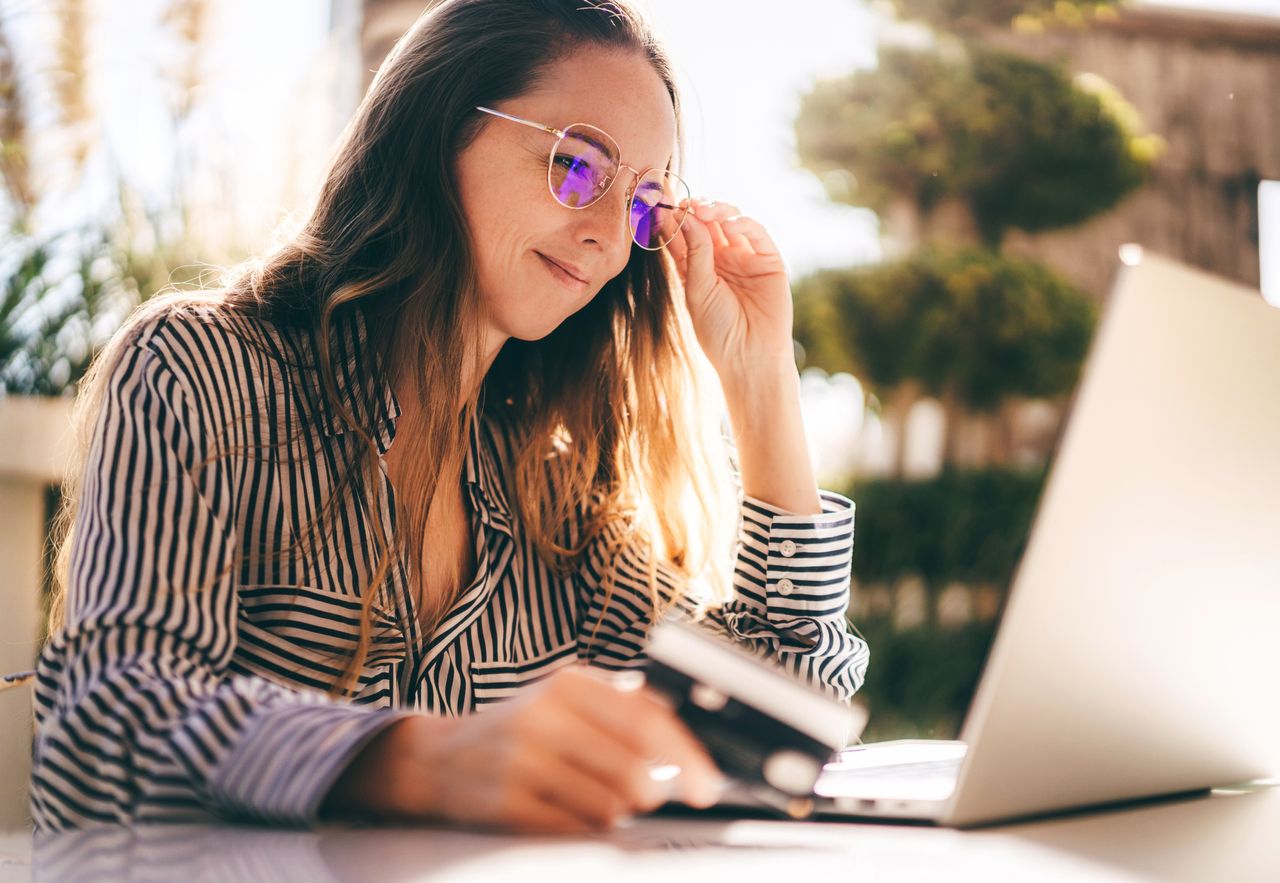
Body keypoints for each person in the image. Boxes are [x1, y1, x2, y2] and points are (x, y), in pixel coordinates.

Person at [29, 0, 869, 834]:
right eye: (578, 165)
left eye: (644, 204)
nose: (609, 240)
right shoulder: (200, 371)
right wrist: (419, 759)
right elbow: (110, 723)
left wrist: (760, 382)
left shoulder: (558, 487)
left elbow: (774, 730)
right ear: (439, 130)